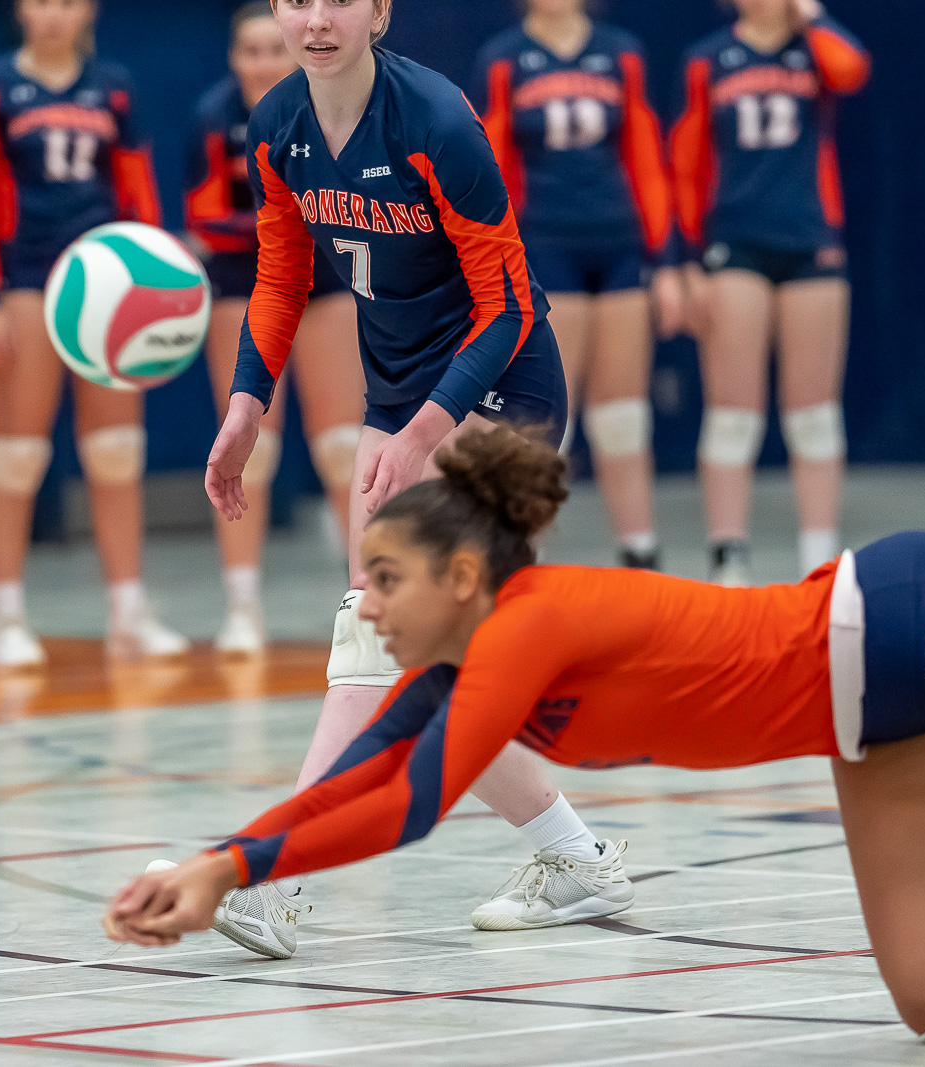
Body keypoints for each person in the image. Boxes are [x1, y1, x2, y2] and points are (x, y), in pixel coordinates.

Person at [107, 427, 925, 1044]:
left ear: (463, 576)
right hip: (873, 721)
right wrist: (225, 860)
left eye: (385, 580)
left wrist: (228, 869)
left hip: (906, 616)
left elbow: (408, 804)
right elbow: (363, 772)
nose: (370, 605)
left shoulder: (529, 626)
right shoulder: (462, 660)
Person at [197, 0, 634, 960]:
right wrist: (244, 405)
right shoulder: (276, 126)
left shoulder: (436, 120)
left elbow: (510, 301)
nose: (317, 18)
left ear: (381, 10)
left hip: (499, 389)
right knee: (428, 664)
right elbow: (279, 277)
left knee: (370, 626)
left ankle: (277, 870)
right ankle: (576, 857)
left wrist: (428, 429)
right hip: (400, 401)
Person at [0, 0, 187, 668]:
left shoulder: (114, 85)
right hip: (27, 277)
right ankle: (4, 616)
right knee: (18, 454)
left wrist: (156, 278)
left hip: (107, 278)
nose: (53, 14)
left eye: (67, 2)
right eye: (40, 1)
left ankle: (127, 612)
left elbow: (137, 187)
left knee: (116, 449)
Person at [474, 0, 683, 569]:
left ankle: (640, 556)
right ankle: (525, 562)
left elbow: (645, 155)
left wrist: (664, 260)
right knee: (545, 417)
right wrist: (497, 259)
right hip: (546, 246)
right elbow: (490, 166)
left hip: (618, 247)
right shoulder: (504, 59)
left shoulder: (621, 51)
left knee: (623, 418)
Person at [187, 1, 366, 654]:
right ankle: (242, 606)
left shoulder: (333, 103)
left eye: (273, 49)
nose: (264, 62)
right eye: (250, 51)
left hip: (325, 284)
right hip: (242, 283)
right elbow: (203, 213)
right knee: (248, 449)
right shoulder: (215, 116)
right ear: (234, 58)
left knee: (345, 444)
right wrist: (277, 224)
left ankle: (365, 598)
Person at [671, 0, 869, 585]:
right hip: (735, 243)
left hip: (811, 241)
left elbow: (852, 71)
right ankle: (729, 556)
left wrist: (812, 15)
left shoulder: (816, 48)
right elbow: (685, 162)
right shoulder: (708, 59)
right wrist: (686, 262)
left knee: (814, 417)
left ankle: (820, 560)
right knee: (733, 416)